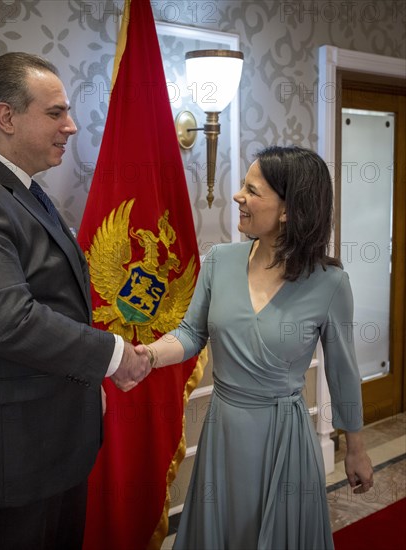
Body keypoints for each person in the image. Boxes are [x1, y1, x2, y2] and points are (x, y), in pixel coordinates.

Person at [0, 52, 151, 550]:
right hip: (8, 454)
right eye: (55, 113)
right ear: (6, 117)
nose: (71, 126)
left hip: (48, 441)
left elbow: (58, 302)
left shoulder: (23, 190)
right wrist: (112, 357)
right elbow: (10, 322)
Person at [136, 146, 374, 549]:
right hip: (224, 432)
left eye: (252, 189)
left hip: (284, 438)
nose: (238, 196)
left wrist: (356, 448)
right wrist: (148, 355)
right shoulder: (218, 262)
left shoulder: (330, 283)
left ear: (288, 210)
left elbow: (343, 371)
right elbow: (191, 333)